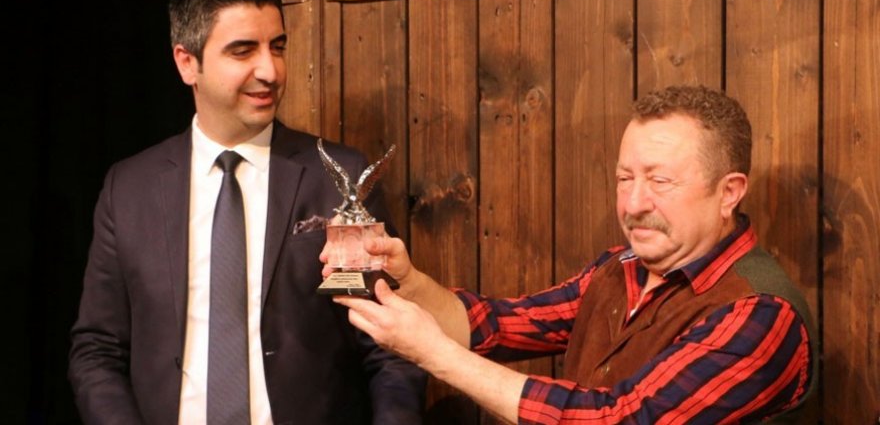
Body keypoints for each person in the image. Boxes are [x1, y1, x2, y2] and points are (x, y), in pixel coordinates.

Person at [329, 85, 817, 424]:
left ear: (729, 192)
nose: (633, 203)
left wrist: (436, 355)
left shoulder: (759, 313)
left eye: (660, 181)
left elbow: (621, 419)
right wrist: (409, 283)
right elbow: (495, 325)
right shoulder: (619, 269)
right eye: (625, 178)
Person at [68, 0, 425, 424]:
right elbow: (97, 350)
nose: (270, 70)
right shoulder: (129, 188)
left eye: (277, 47)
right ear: (187, 62)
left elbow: (392, 346)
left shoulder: (338, 176)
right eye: (243, 51)